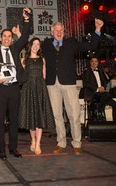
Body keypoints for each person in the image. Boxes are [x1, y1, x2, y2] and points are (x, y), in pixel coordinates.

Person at [41, 18, 104, 155]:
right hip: (52, 84)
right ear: (52, 32)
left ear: (64, 32)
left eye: (61, 30)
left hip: (68, 83)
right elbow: (34, 52)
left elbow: (91, 46)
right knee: (57, 115)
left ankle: (76, 143)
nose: (59, 32)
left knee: (74, 114)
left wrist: (97, 30)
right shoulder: (46, 44)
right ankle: (61, 142)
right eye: (56, 30)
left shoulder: (71, 43)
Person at [0, 7, 31, 160]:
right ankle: (1, 149)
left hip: (14, 89)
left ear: (12, 39)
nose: (6, 38)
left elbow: (24, 37)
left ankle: (13, 148)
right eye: (4, 36)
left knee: (14, 121)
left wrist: (26, 20)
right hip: (1, 90)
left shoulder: (15, 49)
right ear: (0, 38)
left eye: (9, 36)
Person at [18, 37, 55, 155]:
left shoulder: (42, 60)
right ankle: (33, 140)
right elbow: (21, 76)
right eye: (34, 43)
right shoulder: (24, 60)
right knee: (31, 117)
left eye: (38, 44)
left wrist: (41, 88)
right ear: (30, 45)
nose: (36, 46)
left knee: (39, 116)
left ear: (39, 46)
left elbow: (44, 76)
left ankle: (38, 143)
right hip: (28, 89)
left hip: (40, 89)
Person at [82, 56, 116, 122]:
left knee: (115, 105)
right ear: (90, 63)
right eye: (92, 61)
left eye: (96, 61)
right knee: (106, 94)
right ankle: (99, 109)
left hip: (102, 94)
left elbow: (104, 82)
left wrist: (103, 87)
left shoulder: (100, 71)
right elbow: (86, 84)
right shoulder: (86, 72)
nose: (94, 63)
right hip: (92, 93)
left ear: (98, 63)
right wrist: (97, 89)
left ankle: (114, 123)